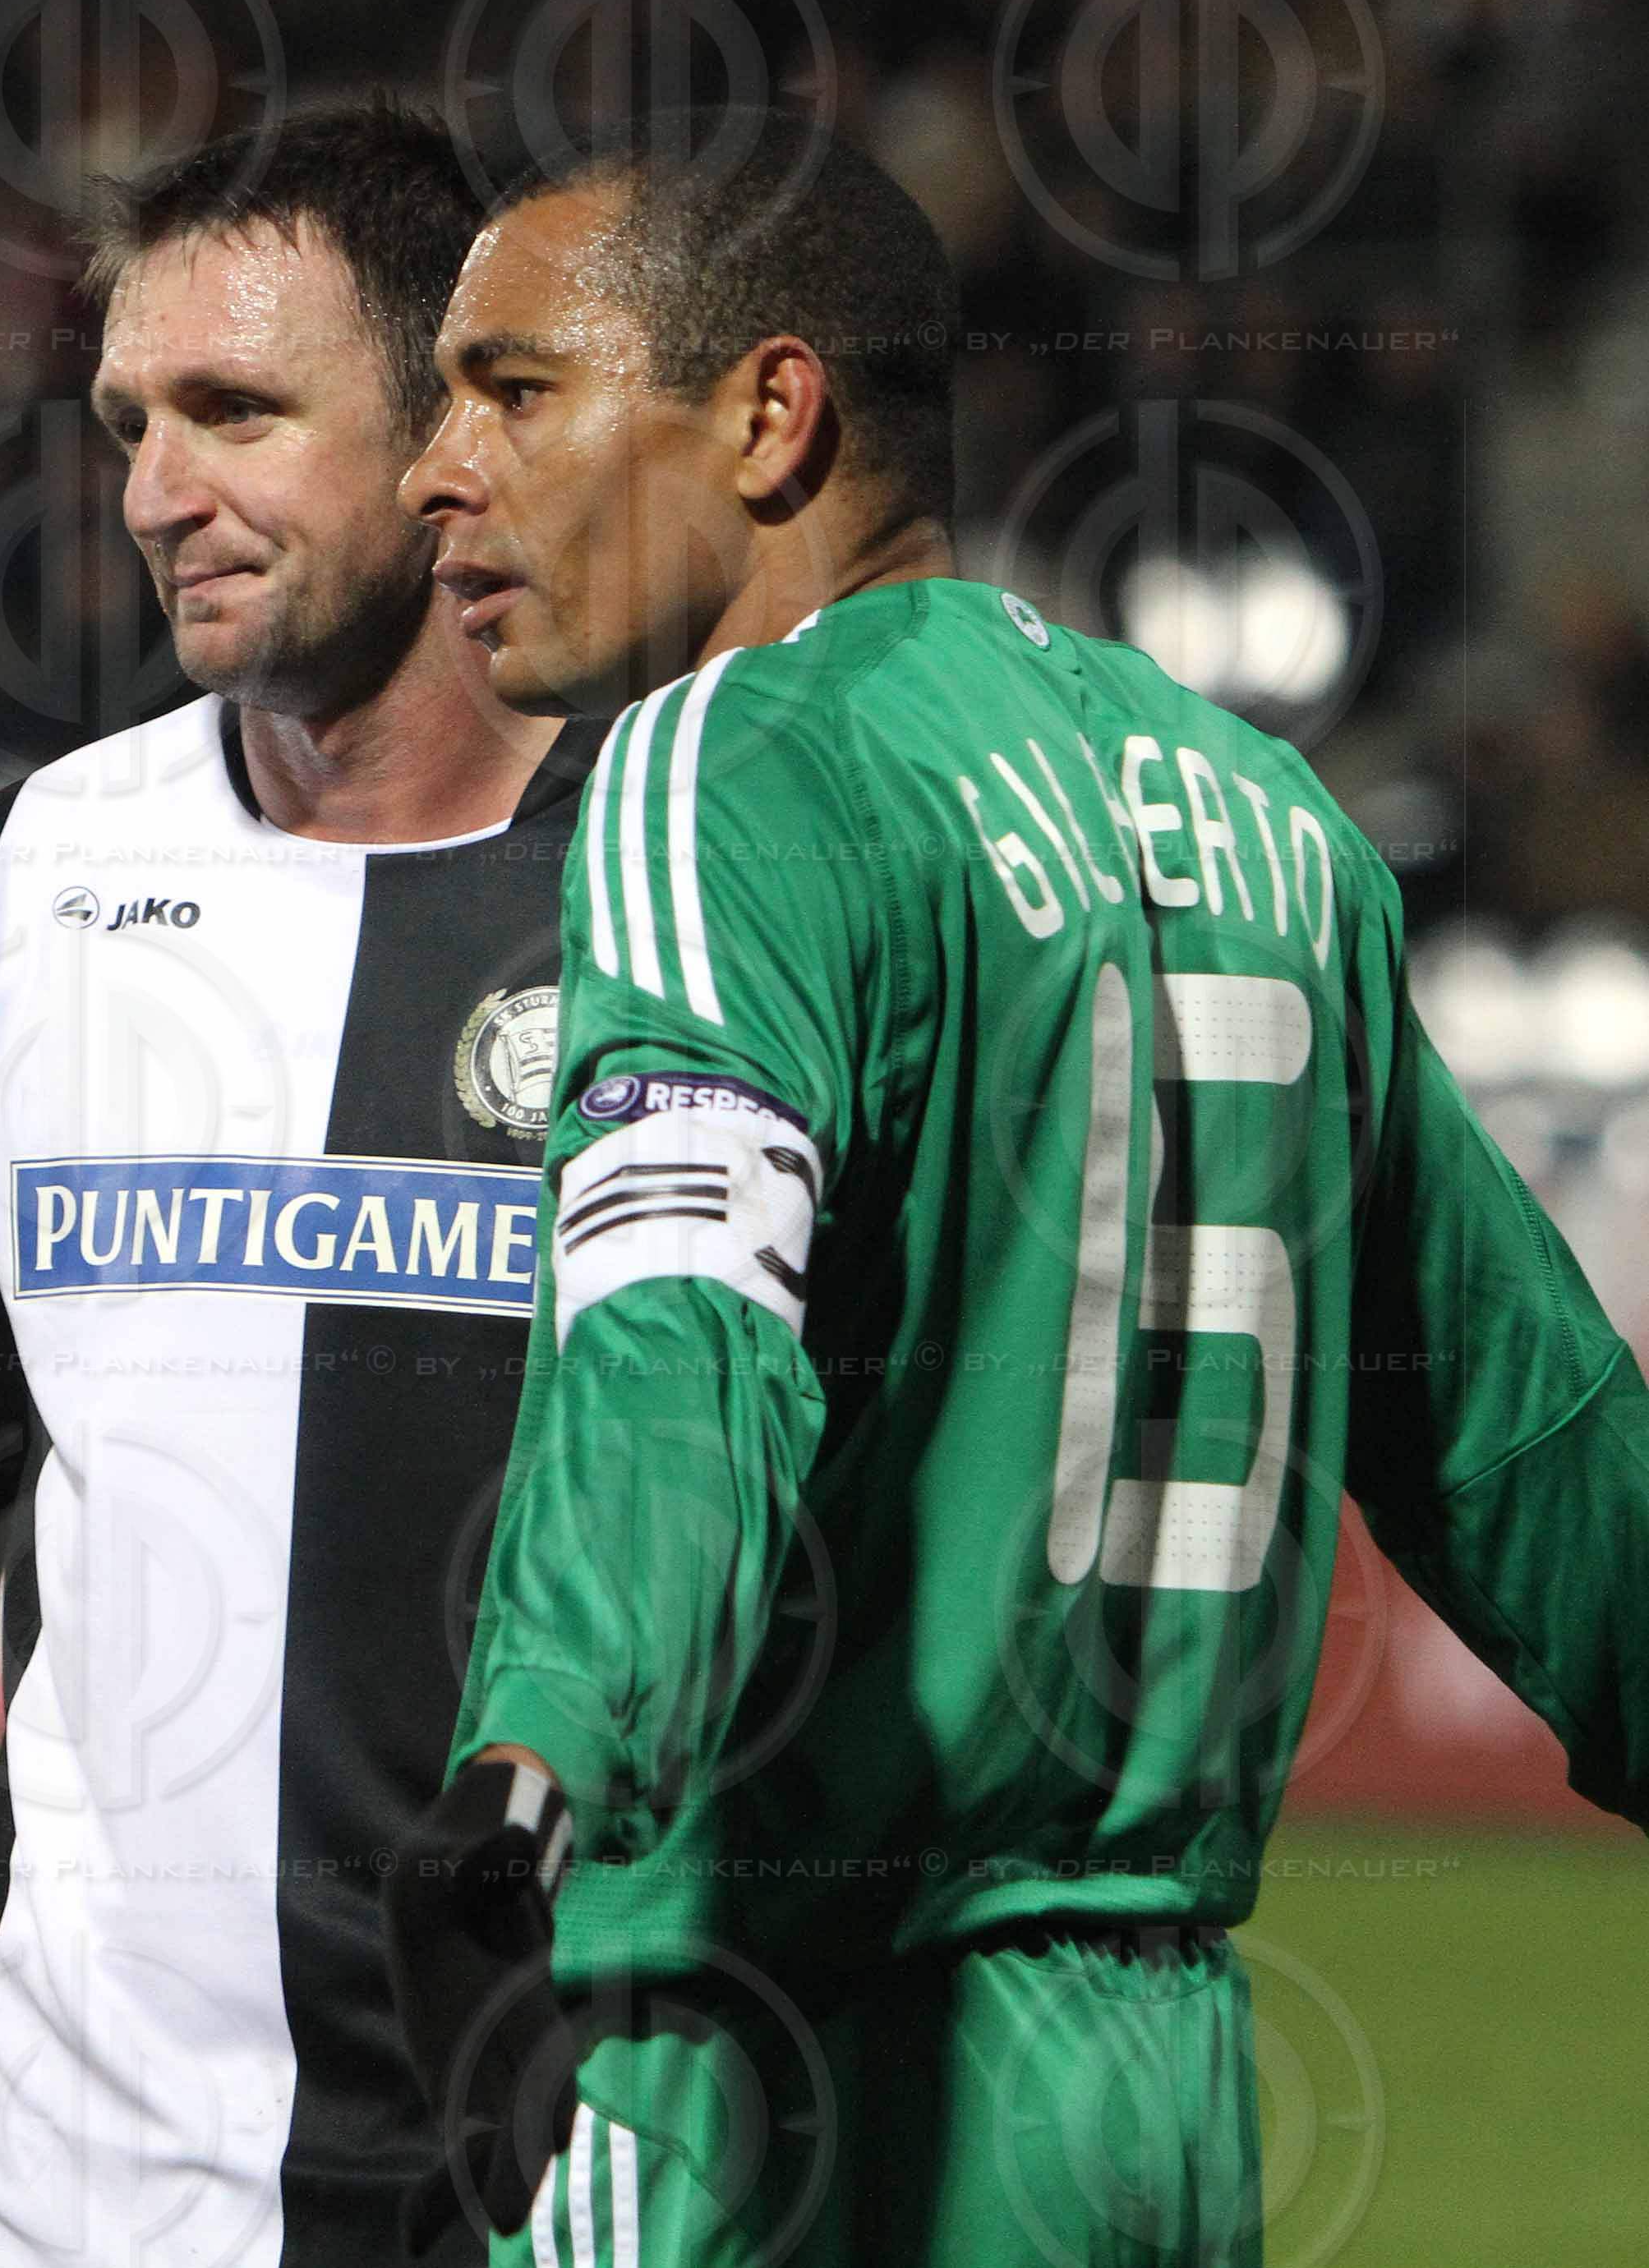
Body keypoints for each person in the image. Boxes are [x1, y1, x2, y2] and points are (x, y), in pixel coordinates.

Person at [389, 115, 1649, 2265]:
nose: (434, 466)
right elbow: (1520, 1428)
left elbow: (681, 1325)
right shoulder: (1269, 820)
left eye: (513, 387)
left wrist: (541, 1743)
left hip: (787, 2061)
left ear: (771, 415)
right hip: (1153, 2086)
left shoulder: (736, 764)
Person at [0, 99, 590, 2268]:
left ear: (459, 426)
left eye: (236, 410)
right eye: (128, 420)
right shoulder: (26, 886)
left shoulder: (700, 891)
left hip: (593, 2202)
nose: (155, 489)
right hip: (93, 2205)